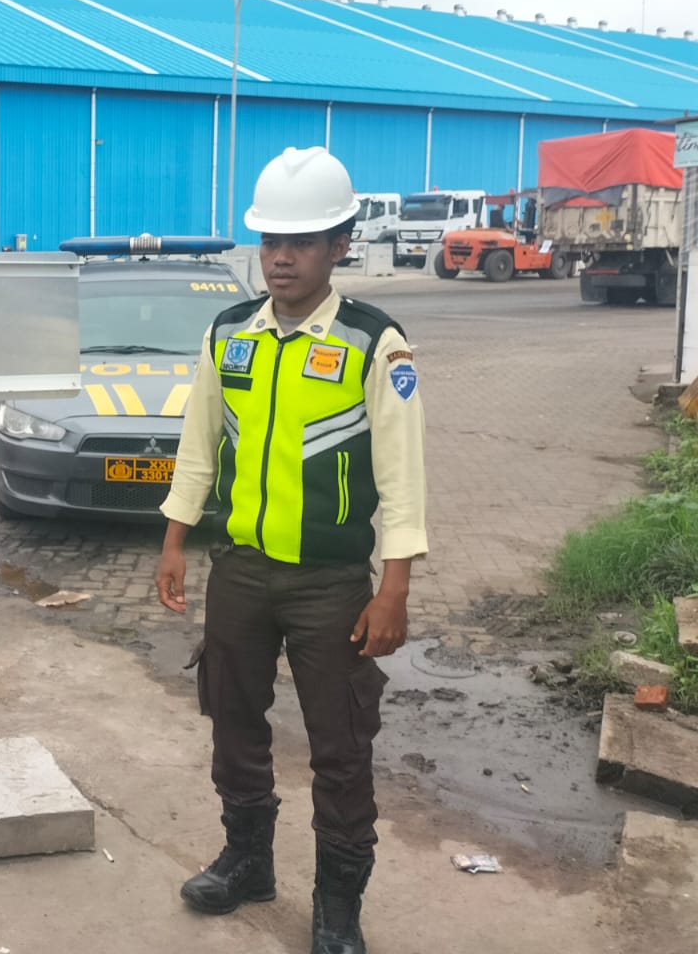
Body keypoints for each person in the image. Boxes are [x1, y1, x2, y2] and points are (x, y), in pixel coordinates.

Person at [154, 146, 427, 954]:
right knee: (233, 722)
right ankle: (247, 862)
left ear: (340, 245)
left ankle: (338, 906)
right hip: (239, 571)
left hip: (331, 584)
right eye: (271, 239)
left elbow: (403, 477)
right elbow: (198, 446)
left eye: (302, 241)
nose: (281, 256)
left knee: (340, 745)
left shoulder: (374, 342)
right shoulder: (229, 333)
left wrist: (394, 590)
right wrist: (175, 539)